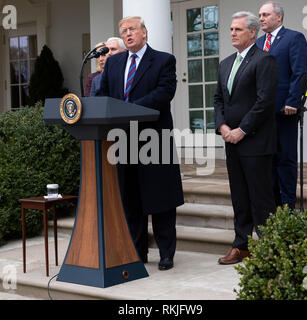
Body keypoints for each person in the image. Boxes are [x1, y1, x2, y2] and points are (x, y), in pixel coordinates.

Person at [97, 16, 184, 271]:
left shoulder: (163, 60)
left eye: (132, 29)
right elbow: (104, 95)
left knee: (161, 199)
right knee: (130, 199)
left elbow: (164, 93)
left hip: (153, 138)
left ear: (144, 32)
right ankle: (137, 251)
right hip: (123, 139)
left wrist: (128, 109)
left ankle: (166, 253)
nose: (128, 34)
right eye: (123, 31)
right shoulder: (113, 63)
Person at [214, 11, 278, 265]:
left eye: (238, 29)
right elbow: (218, 99)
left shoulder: (265, 60)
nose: (232, 33)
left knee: (260, 198)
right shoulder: (225, 63)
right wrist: (222, 126)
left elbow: (265, 102)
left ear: (253, 32)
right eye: (231, 29)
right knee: (239, 197)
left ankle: (270, 247)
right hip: (232, 142)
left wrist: (242, 129)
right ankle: (241, 245)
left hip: (255, 142)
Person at [256, 1, 307, 211]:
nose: (261, 18)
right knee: (268, 160)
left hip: (284, 111)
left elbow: (300, 72)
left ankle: (288, 205)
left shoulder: (293, 38)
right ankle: (273, 205)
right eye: (260, 15)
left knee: (285, 159)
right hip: (262, 114)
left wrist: (292, 101)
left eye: (266, 15)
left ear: (278, 17)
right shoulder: (258, 43)